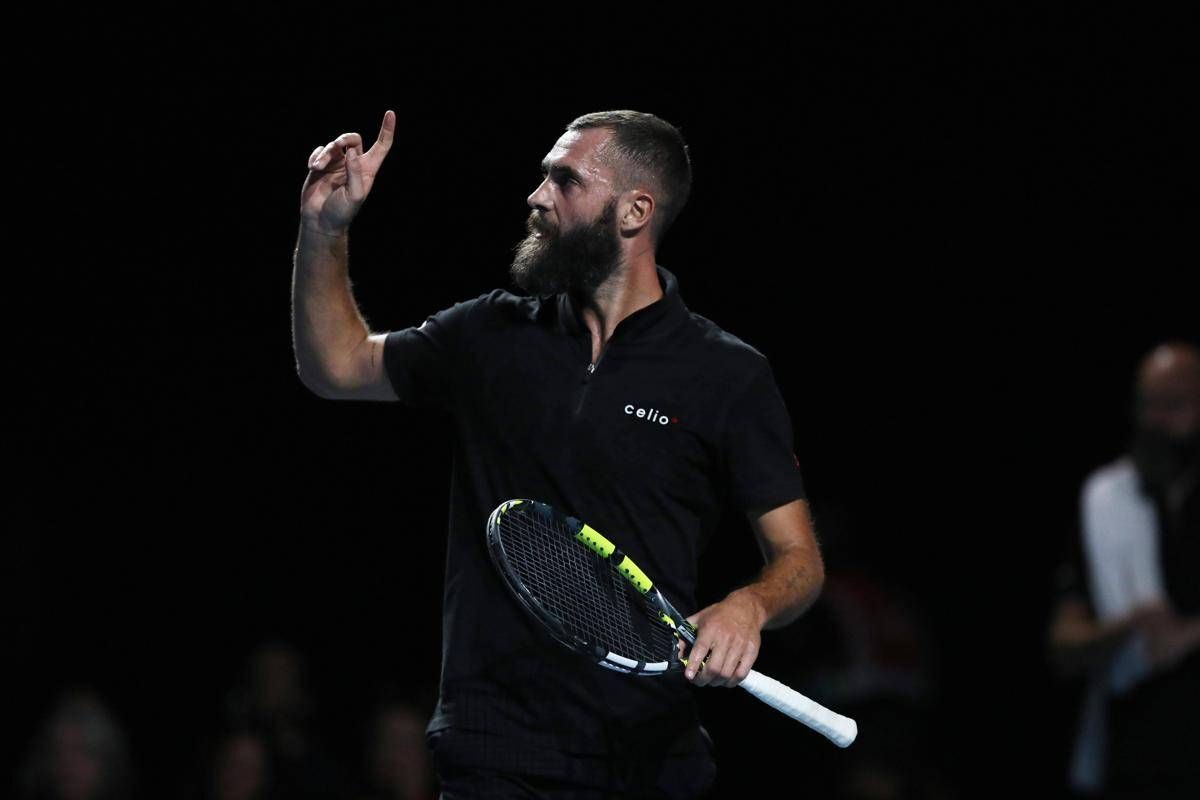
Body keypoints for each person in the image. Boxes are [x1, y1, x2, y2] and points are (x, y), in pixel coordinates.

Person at [291, 109, 826, 798]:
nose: (537, 196)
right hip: (497, 752)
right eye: (545, 176)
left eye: (565, 181)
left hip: (647, 759)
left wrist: (749, 606)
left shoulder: (727, 375)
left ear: (635, 211)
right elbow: (335, 366)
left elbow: (799, 560)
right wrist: (324, 230)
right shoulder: (489, 333)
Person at [1047, 340, 1200, 798]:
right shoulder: (1107, 500)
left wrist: (1188, 634)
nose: (1156, 420)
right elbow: (1063, 643)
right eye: (1147, 405)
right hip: (1134, 754)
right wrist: (1125, 628)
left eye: (1174, 404)